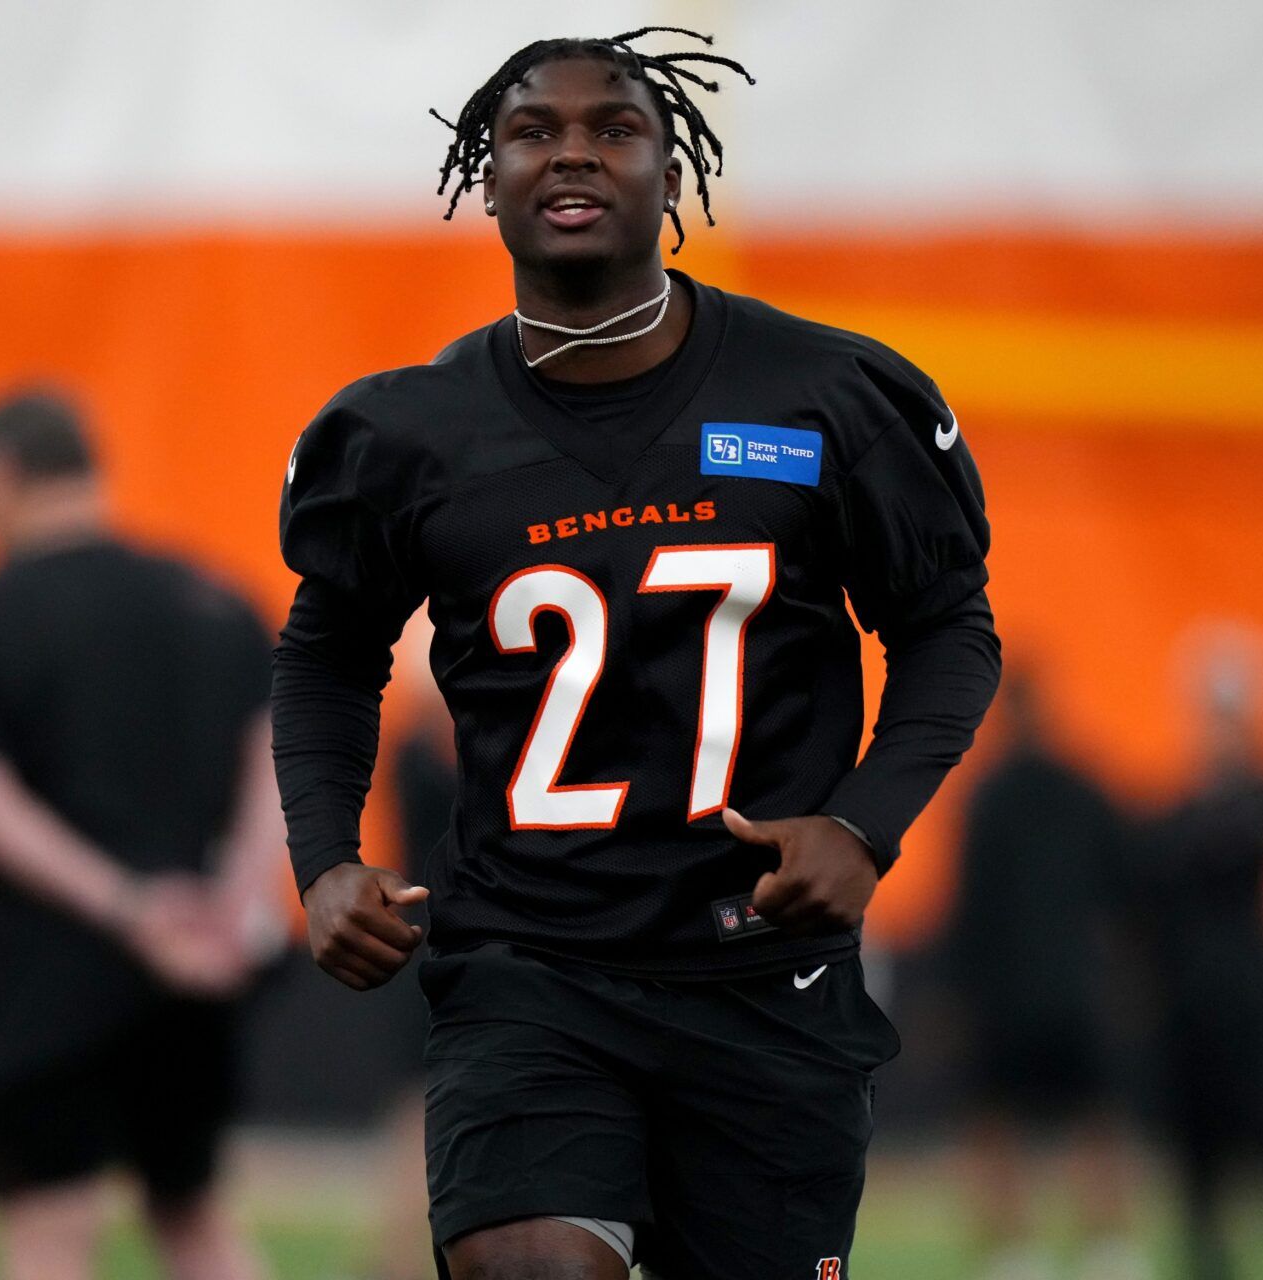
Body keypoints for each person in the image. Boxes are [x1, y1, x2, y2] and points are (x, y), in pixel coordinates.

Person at [270, 27, 1001, 1280]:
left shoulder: (820, 395)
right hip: (530, 966)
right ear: (481, 178)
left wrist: (864, 824)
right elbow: (328, 654)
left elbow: (946, 629)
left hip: (763, 973)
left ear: (676, 175)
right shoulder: (409, 432)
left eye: (615, 129)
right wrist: (325, 859)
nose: (573, 153)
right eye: (532, 131)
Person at [0, 390, 281, 1280]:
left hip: (46, 968)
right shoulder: (214, 598)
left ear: (2, 474)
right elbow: (275, 764)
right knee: (192, 1215)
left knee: (49, 1226)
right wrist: (235, 904)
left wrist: (127, 907)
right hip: (199, 963)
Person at [1137, 634, 1263, 1280]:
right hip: (1190, 1008)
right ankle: (1211, 1260)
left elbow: (1221, 846)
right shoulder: (1187, 806)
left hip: (1247, 1007)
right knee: (1197, 1154)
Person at [945, 672, 1141, 1280]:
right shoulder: (1082, 788)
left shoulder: (988, 797)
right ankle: (1106, 1250)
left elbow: (967, 909)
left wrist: (954, 995)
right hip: (1071, 988)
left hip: (1010, 994)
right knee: (1091, 1118)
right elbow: (1130, 887)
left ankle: (1015, 1254)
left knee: (1001, 1121)